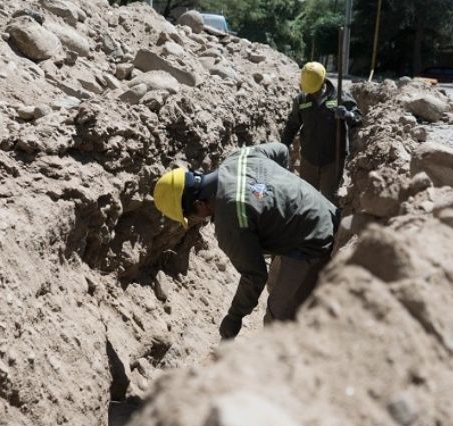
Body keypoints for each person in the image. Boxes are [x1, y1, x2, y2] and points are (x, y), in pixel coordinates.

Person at [152, 142, 339, 340]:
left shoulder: (229, 219)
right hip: (324, 211)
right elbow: (282, 150)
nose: (197, 221)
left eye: (192, 216)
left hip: (314, 242)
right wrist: (280, 202)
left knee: (276, 323)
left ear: (199, 204)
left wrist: (234, 317)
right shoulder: (239, 157)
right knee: (274, 283)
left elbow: (254, 276)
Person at [280, 61, 362, 202]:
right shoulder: (302, 100)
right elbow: (292, 125)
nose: (313, 93)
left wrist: (348, 115)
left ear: (323, 81)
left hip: (333, 159)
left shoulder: (340, 96)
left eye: (315, 89)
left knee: (328, 199)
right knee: (306, 197)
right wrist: (283, 145)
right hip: (309, 158)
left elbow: (358, 119)